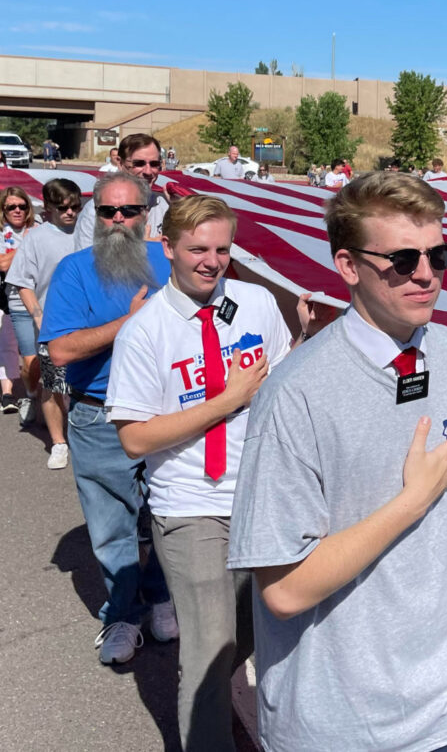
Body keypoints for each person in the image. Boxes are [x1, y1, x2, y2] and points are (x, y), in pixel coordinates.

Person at [227, 172, 447, 751]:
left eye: (439, 254)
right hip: (339, 722)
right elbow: (283, 588)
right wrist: (413, 500)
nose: (427, 274)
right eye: (402, 260)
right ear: (348, 266)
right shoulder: (296, 393)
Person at [107, 196, 309, 751]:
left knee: (253, 632)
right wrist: (224, 401)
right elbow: (134, 438)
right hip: (191, 503)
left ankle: (206, 699)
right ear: (167, 248)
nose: (212, 260)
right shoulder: (144, 332)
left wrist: (306, 347)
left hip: (260, 496)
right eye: (198, 249)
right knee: (209, 646)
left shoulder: (255, 302)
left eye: (222, 248)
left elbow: (282, 387)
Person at [41, 171, 177, 665]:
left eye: (129, 211)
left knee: (169, 517)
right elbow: (59, 349)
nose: (119, 220)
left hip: (170, 416)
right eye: (108, 211)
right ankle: (121, 615)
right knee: (113, 529)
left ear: (147, 214)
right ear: (95, 215)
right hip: (99, 418)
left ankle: (161, 597)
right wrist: (130, 322)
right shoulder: (75, 270)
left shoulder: (174, 260)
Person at [6, 179, 83, 469]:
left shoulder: (89, 232)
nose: (70, 213)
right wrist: (40, 317)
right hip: (51, 321)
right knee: (50, 381)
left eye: (75, 207)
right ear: (47, 207)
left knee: (78, 384)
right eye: (63, 208)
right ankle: (58, 443)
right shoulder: (37, 238)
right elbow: (23, 284)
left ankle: (80, 436)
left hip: (86, 322)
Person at [76, 133, 170, 249]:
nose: (148, 171)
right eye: (139, 164)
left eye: (154, 164)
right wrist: (146, 248)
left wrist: (178, 209)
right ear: (120, 163)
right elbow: (85, 262)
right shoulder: (99, 210)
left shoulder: (162, 206)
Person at [2, 186, 38, 423]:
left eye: (22, 206)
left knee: (40, 351)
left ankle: (39, 394)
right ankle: (14, 394)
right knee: (11, 346)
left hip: (40, 297)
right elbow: (3, 264)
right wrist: (25, 246)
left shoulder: (39, 229)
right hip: (8, 298)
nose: (17, 210)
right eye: (11, 207)